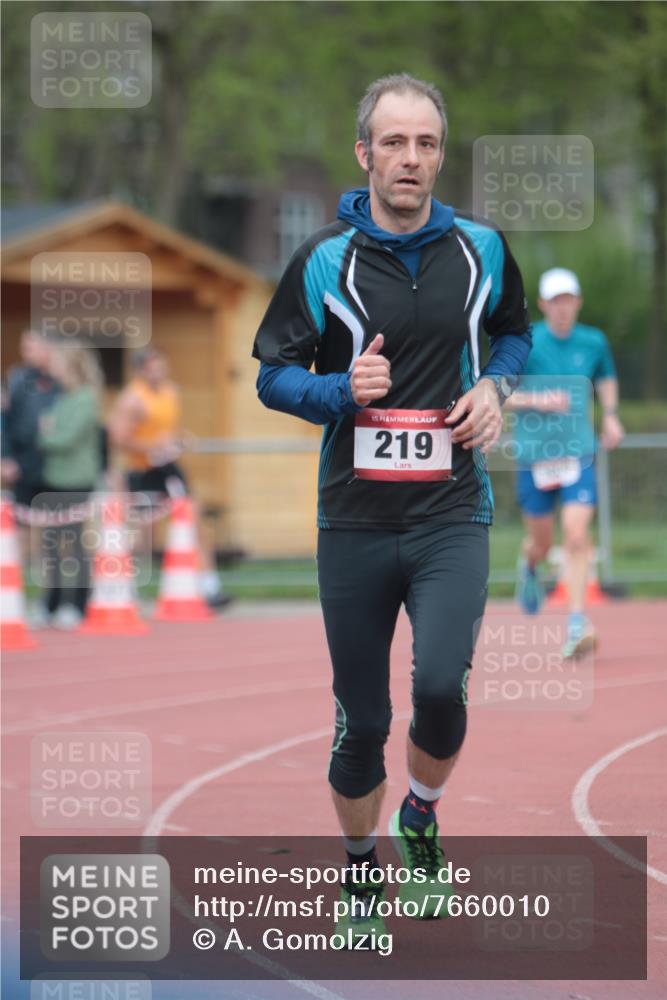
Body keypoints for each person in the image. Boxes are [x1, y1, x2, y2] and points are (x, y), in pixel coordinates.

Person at [252, 74, 532, 940]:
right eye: (394, 142)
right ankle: (360, 873)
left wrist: (496, 385)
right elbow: (270, 375)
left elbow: (514, 332)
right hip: (355, 522)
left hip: (452, 511)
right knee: (361, 721)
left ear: (440, 155)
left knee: (442, 688)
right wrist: (341, 387)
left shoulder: (483, 249)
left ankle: (419, 815)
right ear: (363, 153)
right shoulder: (322, 261)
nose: (410, 159)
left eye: (426, 144)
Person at [510, 267, 624, 657]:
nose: (563, 307)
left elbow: (606, 377)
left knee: (576, 536)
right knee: (542, 544)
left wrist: (610, 413)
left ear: (577, 302)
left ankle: (576, 623)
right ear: (543, 304)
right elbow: (496, 393)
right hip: (534, 456)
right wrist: (534, 400)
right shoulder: (525, 342)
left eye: (569, 299)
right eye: (555, 300)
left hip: (579, 452)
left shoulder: (593, 341)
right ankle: (529, 565)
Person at [108, 347, 230, 608]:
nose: (159, 372)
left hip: (169, 467)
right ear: (141, 370)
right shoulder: (132, 399)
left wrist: (179, 439)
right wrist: (152, 446)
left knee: (193, 518)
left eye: (162, 367)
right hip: (142, 470)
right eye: (153, 368)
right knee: (143, 533)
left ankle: (211, 587)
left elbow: (168, 429)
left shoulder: (170, 392)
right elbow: (119, 440)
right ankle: (124, 585)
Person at [37, 343, 104, 629]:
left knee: (74, 545)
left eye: (60, 365)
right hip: (54, 478)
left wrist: (47, 433)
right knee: (51, 546)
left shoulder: (86, 399)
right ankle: (51, 603)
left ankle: (77, 602)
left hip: (78, 480)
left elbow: (61, 438)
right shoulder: (62, 398)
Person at [2, 330, 59, 508]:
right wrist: (5, 457)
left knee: (58, 524)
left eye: (30, 348)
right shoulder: (17, 378)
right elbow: (4, 420)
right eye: (23, 348)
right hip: (23, 465)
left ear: (48, 348)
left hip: (58, 465)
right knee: (23, 520)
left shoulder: (64, 378)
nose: (24, 353)